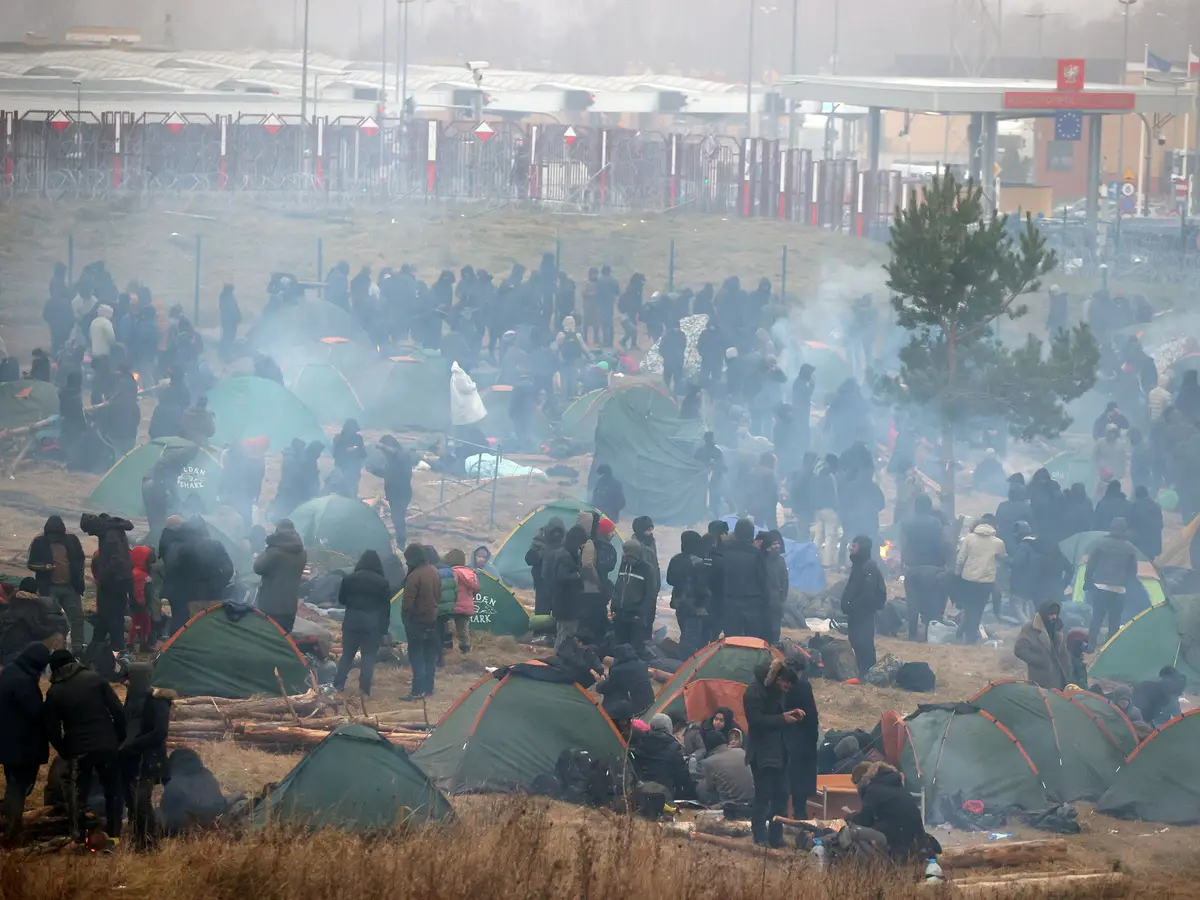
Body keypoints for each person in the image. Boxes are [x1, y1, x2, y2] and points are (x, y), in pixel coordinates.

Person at [43, 649, 126, 844]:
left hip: (78, 750)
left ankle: (80, 838)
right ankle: (114, 836)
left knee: (78, 796)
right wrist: (118, 738)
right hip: (107, 745)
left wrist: (65, 750)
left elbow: (51, 729)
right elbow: (118, 711)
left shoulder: (55, 692)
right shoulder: (95, 679)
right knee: (112, 791)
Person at [742, 659, 802, 848]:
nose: (787, 687)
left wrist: (791, 714)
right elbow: (756, 722)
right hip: (761, 752)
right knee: (763, 796)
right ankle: (760, 836)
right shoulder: (753, 692)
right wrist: (782, 719)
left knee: (782, 795)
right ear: (777, 678)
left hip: (780, 750)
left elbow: (777, 716)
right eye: (785, 682)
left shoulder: (778, 692)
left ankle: (776, 836)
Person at [0, 643, 51, 845]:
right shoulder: (23, 682)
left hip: (7, 742)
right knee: (18, 787)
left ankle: (9, 824)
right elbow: (35, 712)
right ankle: (13, 833)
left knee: (14, 783)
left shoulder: (11, 672)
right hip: (21, 745)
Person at [119, 662, 173, 849]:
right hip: (130, 758)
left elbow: (159, 732)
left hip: (149, 758)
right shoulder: (132, 698)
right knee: (132, 802)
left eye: (129, 679)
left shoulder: (157, 700)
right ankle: (138, 836)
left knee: (142, 801)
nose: (125, 683)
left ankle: (149, 842)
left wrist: (133, 746)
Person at [333, 550, 392, 697]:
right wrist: (383, 630)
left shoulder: (349, 579)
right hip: (372, 624)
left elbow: (342, 600)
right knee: (369, 656)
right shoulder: (382, 582)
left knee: (347, 654)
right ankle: (364, 689)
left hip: (351, 621)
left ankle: (338, 685)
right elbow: (386, 608)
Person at [845, 763, 928, 862]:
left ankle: (868, 865)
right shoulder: (898, 788)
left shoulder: (873, 790)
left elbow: (864, 820)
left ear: (863, 780)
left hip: (894, 842)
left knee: (852, 832)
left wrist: (849, 817)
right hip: (914, 843)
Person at [27, 515, 86, 652]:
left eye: (56, 534)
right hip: (49, 587)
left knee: (77, 619)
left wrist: (79, 578)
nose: (54, 537)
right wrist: (43, 567)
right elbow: (31, 564)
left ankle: (78, 649)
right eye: (51, 534)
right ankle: (49, 649)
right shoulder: (39, 541)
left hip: (70, 587)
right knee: (49, 620)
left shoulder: (71, 540)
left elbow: (80, 558)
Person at [1084, 517, 1139, 649]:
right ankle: (1110, 648)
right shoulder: (1130, 548)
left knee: (1096, 618)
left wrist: (1088, 581)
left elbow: (1091, 565)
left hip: (1100, 587)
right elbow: (1133, 572)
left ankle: (1091, 645)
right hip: (1119, 590)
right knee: (1114, 621)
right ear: (1124, 530)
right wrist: (1126, 584)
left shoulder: (1100, 543)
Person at [954, 518, 1006, 644]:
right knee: (978, 609)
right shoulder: (998, 542)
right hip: (986, 581)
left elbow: (961, 558)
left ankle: (963, 635)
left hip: (968, 578)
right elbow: (1003, 559)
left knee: (968, 607)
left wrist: (957, 573)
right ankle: (969, 638)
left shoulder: (969, 538)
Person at [612, 521, 661, 653]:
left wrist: (641, 612)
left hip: (636, 615)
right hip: (621, 613)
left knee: (635, 647)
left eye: (626, 552)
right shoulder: (624, 566)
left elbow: (650, 593)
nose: (623, 555)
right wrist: (614, 606)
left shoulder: (647, 570)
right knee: (620, 646)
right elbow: (618, 586)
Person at [401, 543, 442, 700]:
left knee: (416, 656)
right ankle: (429, 689)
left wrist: (406, 619)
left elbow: (407, 603)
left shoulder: (414, 576)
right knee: (430, 656)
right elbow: (438, 596)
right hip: (432, 620)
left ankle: (417, 691)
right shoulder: (434, 571)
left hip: (417, 622)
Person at [841, 536, 887, 675]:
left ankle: (868, 672)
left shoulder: (868, 566)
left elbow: (868, 593)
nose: (851, 548)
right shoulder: (858, 565)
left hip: (864, 612)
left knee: (864, 643)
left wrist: (852, 605)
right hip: (855, 612)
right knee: (855, 640)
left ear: (862, 548)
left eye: (854, 546)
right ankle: (861, 671)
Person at [252, 520, 307, 634]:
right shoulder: (302, 552)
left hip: (270, 605)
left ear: (277, 531)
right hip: (290, 605)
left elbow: (257, 568)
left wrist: (265, 551)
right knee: (285, 638)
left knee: (267, 639)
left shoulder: (274, 552)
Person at [158, 748, 229, 836]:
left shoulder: (174, 781)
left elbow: (165, 808)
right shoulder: (208, 776)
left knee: (156, 814)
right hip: (214, 819)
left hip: (187, 825)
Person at [628, 714, 694, 803]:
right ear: (668, 726)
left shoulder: (642, 742)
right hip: (665, 792)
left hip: (643, 790)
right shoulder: (673, 746)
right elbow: (681, 773)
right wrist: (692, 792)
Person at [666, 531, 711, 660]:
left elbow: (670, 580)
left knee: (684, 634)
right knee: (690, 640)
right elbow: (702, 586)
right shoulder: (698, 562)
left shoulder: (675, 559)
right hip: (694, 606)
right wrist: (706, 600)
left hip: (679, 603)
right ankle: (682, 667)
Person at [722, 518, 767, 639]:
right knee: (752, 640)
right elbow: (763, 578)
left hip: (729, 600)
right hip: (752, 602)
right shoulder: (756, 553)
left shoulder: (725, 550)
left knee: (731, 640)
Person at [1013, 601, 1071, 690]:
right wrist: (1039, 661)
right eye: (1051, 614)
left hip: (1060, 675)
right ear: (1044, 614)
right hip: (1041, 676)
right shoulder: (1030, 628)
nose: (1054, 617)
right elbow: (1019, 649)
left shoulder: (1058, 626)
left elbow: (1063, 650)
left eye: (1056, 614)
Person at [696, 730, 755, 806]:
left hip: (728, 803)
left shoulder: (709, 762)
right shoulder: (741, 751)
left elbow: (709, 788)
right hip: (750, 799)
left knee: (700, 788)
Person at [596, 644, 654, 719]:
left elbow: (607, 686)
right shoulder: (642, 664)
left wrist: (599, 684)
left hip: (635, 705)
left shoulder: (618, 670)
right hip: (649, 699)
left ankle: (608, 717)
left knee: (611, 694)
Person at [375, 436, 415, 546]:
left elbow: (395, 453)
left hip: (401, 493)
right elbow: (388, 474)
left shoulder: (402, 456)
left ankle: (401, 544)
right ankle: (400, 541)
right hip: (394, 494)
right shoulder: (392, 460)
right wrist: (375, 471)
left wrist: (382, 446)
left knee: (398, 518)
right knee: (396, 518)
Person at [442, 549, 479, 655]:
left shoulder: (452, 572)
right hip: (466, 607)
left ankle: (448, 647)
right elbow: (476, 588)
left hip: (454, 605)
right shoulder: (471, 573)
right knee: (463, 629)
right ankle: (465, 649)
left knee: (447, 627)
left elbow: (451, 587)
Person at [527, 517, 565, 617]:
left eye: (559, 532)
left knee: (560, 612)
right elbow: (529, 560)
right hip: (542, 582)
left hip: (560, 583)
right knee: (542, 612)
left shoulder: (566, 542)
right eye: (554, 531)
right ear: (548, 530)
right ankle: (540, 631)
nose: (556, 534)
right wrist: (540, 554)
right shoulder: (539, 540)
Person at [812, 454, 840, 569]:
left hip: (817, 508)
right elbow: (834, 494)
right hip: (829, 509)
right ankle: (827, 562)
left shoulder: (816, 473)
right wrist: (837, 507)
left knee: (818, 535)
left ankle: (812, 558)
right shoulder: (830, 476)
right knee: (831, 535)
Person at [762, 530, 789, 646]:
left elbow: (785, 580)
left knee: (775, 630)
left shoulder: (781, 561)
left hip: (777, 600)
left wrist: (783, 597)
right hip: (764, 601)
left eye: (778, 543)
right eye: (773, 544)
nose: (777, 546)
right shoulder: (762, 560)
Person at [331, 419, 367, 499]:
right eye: (352, 430)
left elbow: (363, 453)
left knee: (353, 489)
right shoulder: (338, 438)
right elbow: (336, 453)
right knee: (341, 489)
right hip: (342, 468)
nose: (354, 432)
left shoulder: (358, 438)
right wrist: (350, 449)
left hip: (354, 469)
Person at [694, 432, 727, 518]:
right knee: (702, 499)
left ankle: (715, 516)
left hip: (714, 481)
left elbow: (723, 467)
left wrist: (718, 466)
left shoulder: (717, 451)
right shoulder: (700, 451)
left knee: (715, 500)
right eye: (712, 438)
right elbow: (695, 465)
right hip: (702, 481)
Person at [1129, 485, 1164, 561]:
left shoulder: (1134, 506)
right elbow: (1161, 525)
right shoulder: (1156, 506)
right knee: (1150, 563)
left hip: (1139, 544)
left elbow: (1130, 523)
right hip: (1154, 543)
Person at [217, 284, 241, 360]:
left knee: (225, 336)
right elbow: (233, 311)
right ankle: (227, 355)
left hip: (226, 321)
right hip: (230, 322)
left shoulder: (224, 297)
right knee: (229, 337)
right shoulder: (229, 299)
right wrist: (238, 318)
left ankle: (221, 352)